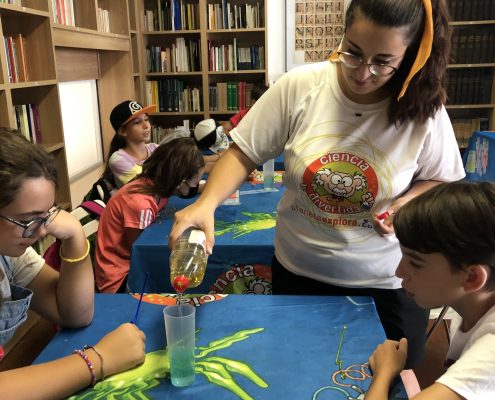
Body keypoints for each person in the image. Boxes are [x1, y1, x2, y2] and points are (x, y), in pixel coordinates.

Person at [169, 0, 465, 369]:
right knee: (297, 373)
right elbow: (243, 153)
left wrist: (407, 203)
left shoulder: (423, 108)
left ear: (410, 57)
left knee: (387, 384)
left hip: (388, 285)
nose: (362, 73)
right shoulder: (301, 86)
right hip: (300, 275)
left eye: (383, 62)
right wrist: (206, 203)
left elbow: (442, 180)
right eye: (353, 53)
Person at [0, 128, 145, 399]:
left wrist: (76, 237)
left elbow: (74, 315)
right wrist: (99, 360)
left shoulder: (9, 252)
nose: (41, 231)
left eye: (47, 215)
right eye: (29, 220)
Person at [366, 181, 495, 400]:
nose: (399, 272)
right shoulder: (471, 304)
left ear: (472, 277)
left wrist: (384, 373)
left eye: (415, 262)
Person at [95, 137, 205, 293]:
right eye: (193, 184)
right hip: (119, 279)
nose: (195, 187)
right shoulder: (141, 204)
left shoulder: (155, 183)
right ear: (180, 181)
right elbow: (143, 251)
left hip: (126, 263)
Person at [101, 100, 157, 189]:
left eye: (146, 119)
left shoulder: (155, 148)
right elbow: (146, 185)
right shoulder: (117, 159)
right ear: (123, 131)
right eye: (137, 122)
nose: (146, 125)